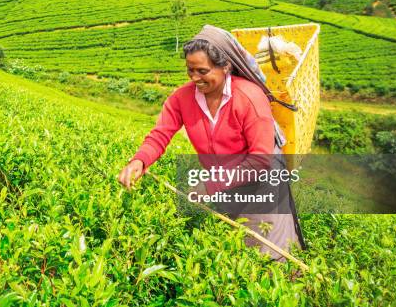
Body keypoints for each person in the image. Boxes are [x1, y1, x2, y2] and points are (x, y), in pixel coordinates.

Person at [117, 24, 304, 261]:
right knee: (232, 248)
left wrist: (210, 185)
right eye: (190, 70)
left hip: (261, 185)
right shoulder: (182, 98)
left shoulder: (249, 98)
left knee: (265, 252)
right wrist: (139, 161)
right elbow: (160, 134)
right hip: (227, 182)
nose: (195, 78)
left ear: (225, 66)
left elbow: (260, 160)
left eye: (202, 71)